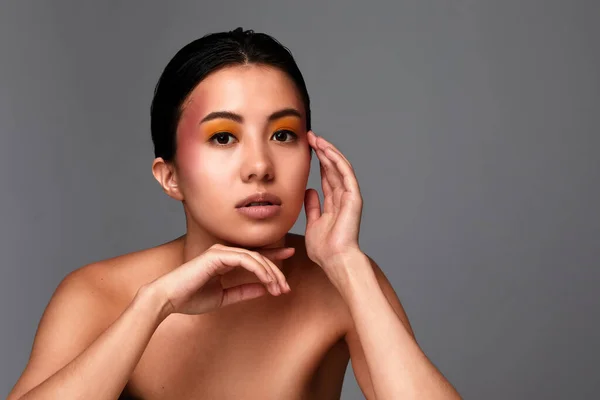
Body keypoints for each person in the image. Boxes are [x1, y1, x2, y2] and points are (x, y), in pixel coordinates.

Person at [7, 28, 461, 399]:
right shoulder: (96, 295)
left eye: (283, 134)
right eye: (223, 137)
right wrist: (153, 306)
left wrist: (348, 266)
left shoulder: (343, 283)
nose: (260, 167)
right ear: (170, 177)